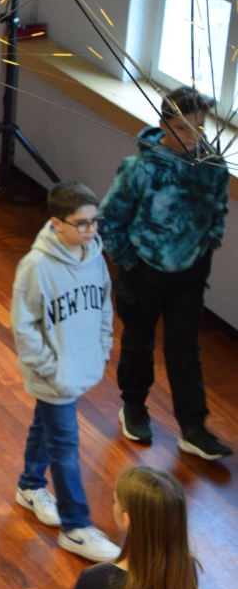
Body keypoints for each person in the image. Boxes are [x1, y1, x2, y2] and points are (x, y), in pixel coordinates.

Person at [100, 86, 231, 460]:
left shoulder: (213, 168)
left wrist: (205, 250)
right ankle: (134, 407)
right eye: (183, 129)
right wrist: (128, 260)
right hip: (143, 271)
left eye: (200, 128)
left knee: (185, 349)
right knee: (138, 342)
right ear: (163, 125)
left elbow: (218, 212)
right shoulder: (140, 169)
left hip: (189, 274)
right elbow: (111, 219)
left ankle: (193, 426)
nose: (192, 138)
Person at [11, 181, 122, 563]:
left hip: (80, 364)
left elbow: (105, 302)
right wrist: (49, 368)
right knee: (66, 445)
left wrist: (102, 346)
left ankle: (29, 485)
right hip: (54, 373)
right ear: (57, 223)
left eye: (95, 222)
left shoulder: (94, 255)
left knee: (46, 427)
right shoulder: (36, 266)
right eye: (82, 224)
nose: (91, 231)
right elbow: (23, 326)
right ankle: (76, 527)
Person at [58, 466, 201, 589]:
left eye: (115, 501)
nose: (113, 505)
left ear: (127, 520)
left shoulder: (95, 582)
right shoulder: (186, 570)